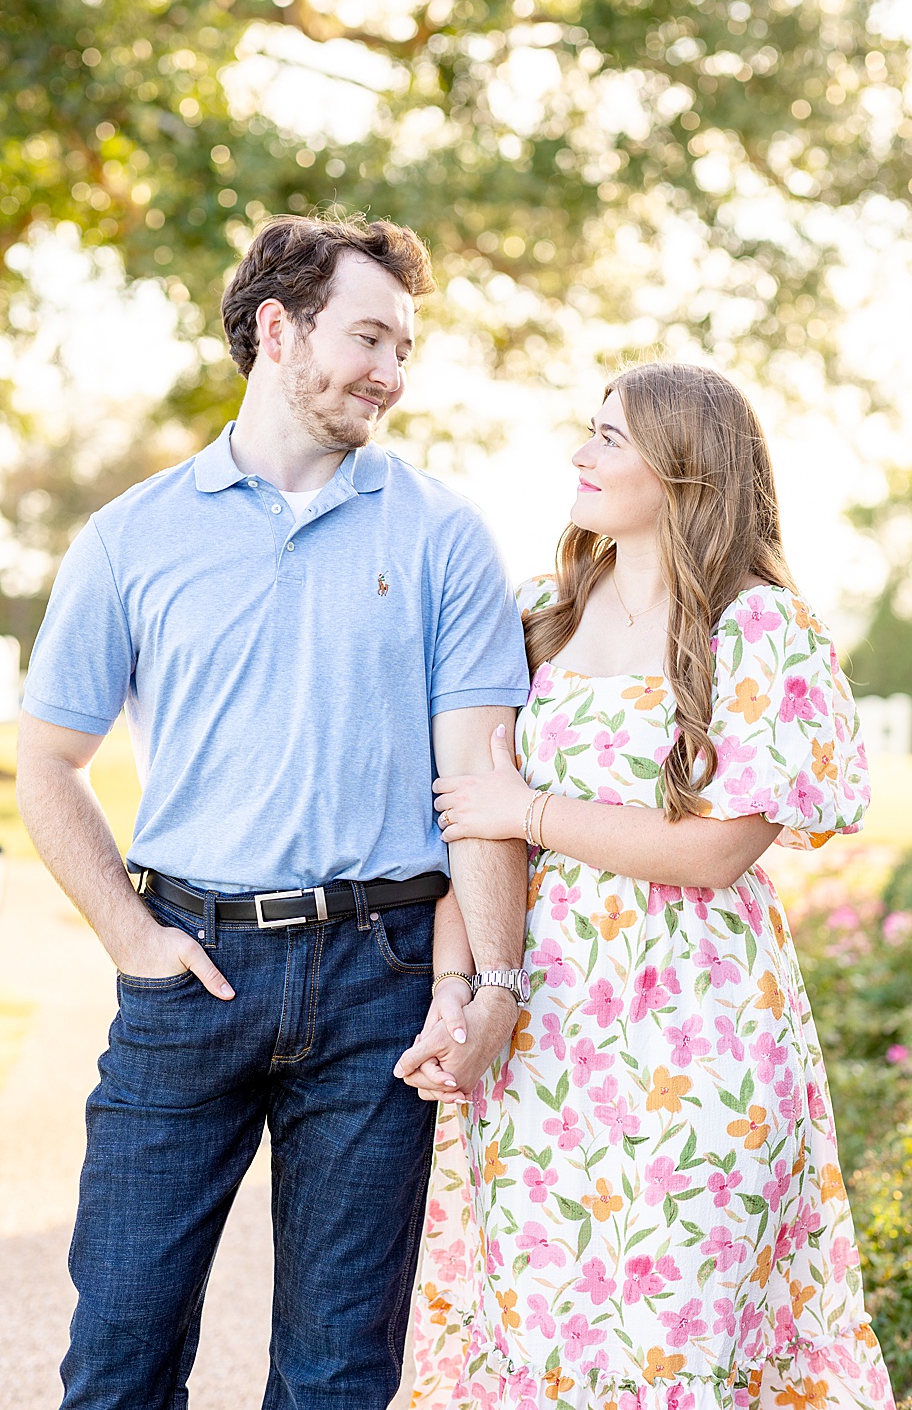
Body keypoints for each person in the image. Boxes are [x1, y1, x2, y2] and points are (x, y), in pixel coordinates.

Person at [15, 213, 532, 1407]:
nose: (391, 373)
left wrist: (490, 978)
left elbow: (481, 791)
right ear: (276, 328)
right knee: (119, 1353)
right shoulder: (132, 535)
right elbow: (49, 761)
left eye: (406, 347)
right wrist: (133, 940)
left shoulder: (444, 534)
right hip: (187, 972)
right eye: (368, 337)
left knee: (339, 1369)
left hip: (380, 978)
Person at [394, 362, 894, 1410]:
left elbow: (718, 850)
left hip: (701, 1033)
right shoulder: (534, 614)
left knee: (680, 1328)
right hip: (543, 1036)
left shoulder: (763, 629)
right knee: (546, 1323)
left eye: (609, 438)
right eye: (589, 432)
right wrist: (453, 985)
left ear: (685, 468)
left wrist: (525, 810)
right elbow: (465, 832)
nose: (580, 455)